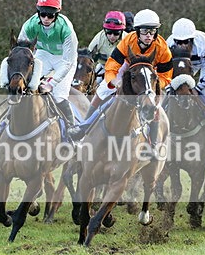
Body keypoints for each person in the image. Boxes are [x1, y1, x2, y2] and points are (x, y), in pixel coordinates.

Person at [68, 8, 173, 152]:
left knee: (156, 106)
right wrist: (114, 81)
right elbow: (111, 66)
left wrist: (152, 86)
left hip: (149, 79)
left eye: (152, 31)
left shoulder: (163, 48)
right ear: (136, 31)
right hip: (127, 73)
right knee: (102, 91)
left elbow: (166, 75)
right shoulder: (127, 41)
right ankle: (84, 126)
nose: (148, 35)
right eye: (144, 31)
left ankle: (153, 145)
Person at [0, 0, 78, 138]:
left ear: (57, 14)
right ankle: (5, 122)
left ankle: (71, 128)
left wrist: (52, 82)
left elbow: (68, 62)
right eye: (42, 13)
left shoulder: (66, 29)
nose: (45, 18)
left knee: (59, 95)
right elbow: (20, 51)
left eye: (50, 15)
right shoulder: (30, 25)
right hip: (43, 54)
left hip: (64, 60)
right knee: (25, 87)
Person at [164, 17, 205, 119]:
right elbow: (165, 70)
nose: (182, 46)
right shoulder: (168, 45)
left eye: (186, 41)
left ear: (192, 39)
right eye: (179, 42)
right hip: (186, 62)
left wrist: (197, 88)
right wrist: (170, 87)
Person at [86, 10, 127, 78]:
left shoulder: (127, 40)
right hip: (103, 67)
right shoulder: (98, 39)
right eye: (109, 32)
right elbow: (87, 57)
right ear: (105, 30)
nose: (112, 36)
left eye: (116, 33)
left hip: (123, 68)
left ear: (122, 31)